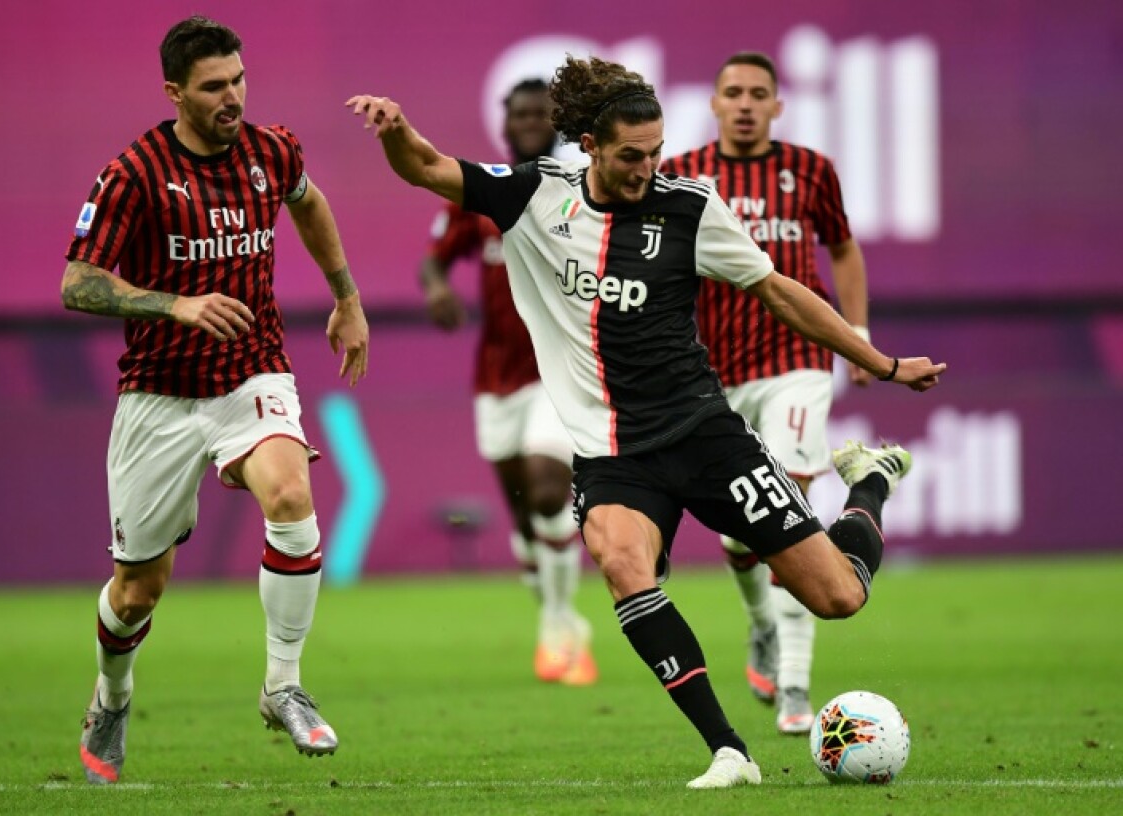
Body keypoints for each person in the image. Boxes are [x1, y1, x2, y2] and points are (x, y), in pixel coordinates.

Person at [347, 55, 944, 789]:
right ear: (591, 145)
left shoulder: (690, 208)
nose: (647, 169)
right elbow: (430, 170)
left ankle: (871, 482)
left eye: (657, 152)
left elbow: (783, 292)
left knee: (837, 597)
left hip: (704, 436)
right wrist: (397, 130)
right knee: (623, 564)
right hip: (610, 455)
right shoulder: (536, 194)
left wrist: (880, 362)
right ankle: (730, 751)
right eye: (632, 155)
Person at [62, 16, 369, 784]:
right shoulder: (133, 172)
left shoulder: (272, 150)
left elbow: (309, 200)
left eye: (238, 80)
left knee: (293, 492)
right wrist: (176, 305)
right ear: (174, 92)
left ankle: (282, 686)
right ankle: (112, 695)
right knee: (137, 591)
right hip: (161, 396)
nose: (232, 98)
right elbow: (77, 283)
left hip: (251, 373)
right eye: (212, 87)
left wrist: (346, 296)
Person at [659, 51, 871, 735]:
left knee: (790, 504)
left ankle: (796, 686)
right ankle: (761, 626)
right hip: (711, 374)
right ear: (713, 103)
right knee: (741, 534)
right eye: (733, 93)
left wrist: (856, 333)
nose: (746, 104)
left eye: (758, 93)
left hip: (799, 362)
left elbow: (840, 247)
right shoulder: (681, 175)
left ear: (778, 105)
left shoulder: (811, 170)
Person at [418, 79, 596, 686]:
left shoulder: (576, 191)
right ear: (504, 120)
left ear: (559, 123)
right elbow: (434, 257)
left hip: (557, 372)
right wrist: (438, 286)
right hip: (495, 378)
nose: (525, 122)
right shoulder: (483, 191)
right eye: (516, 112)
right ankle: (552, 602)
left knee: (549, 493)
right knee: (525, 525)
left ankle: (558, 623)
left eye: (537, 113)